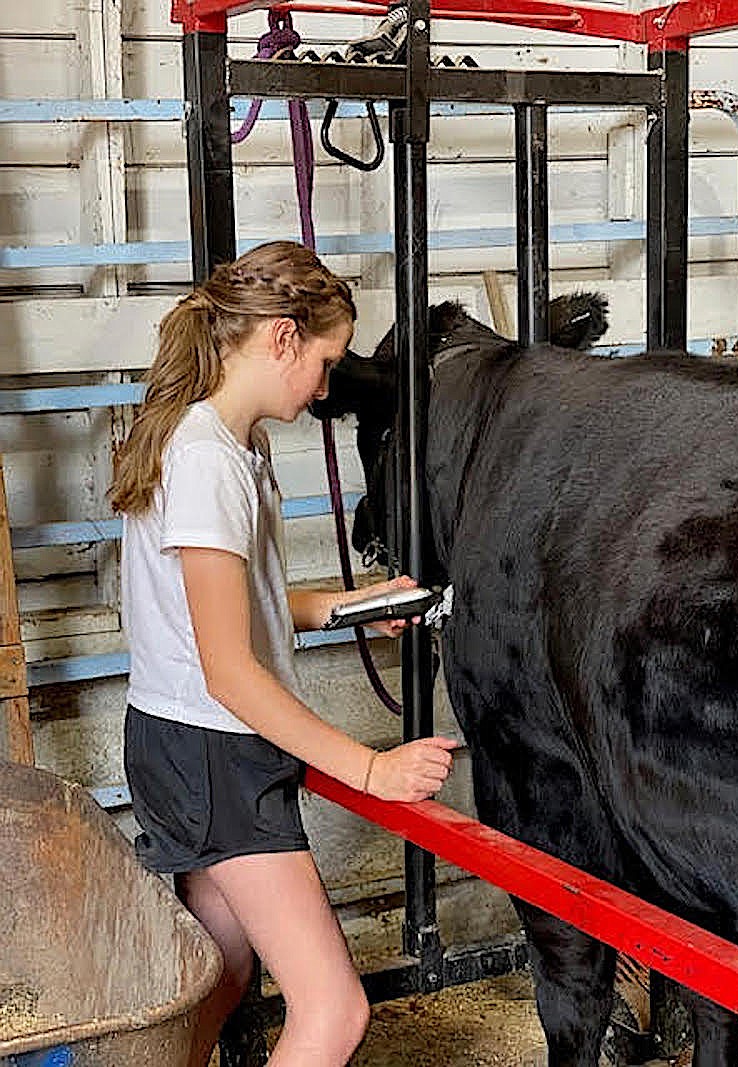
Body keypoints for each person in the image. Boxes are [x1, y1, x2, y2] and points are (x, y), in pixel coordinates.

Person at [109, 240, 458, 1067]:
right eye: (327, 362)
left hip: (177, 738)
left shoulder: (227, 446)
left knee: (220, 973)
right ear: (282, 339)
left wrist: (350, 606)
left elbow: (237, 610)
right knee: (332, 1012)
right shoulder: (205, 462)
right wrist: (369, 770)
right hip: (213, 749)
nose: (326, 387)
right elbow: (229, 669)